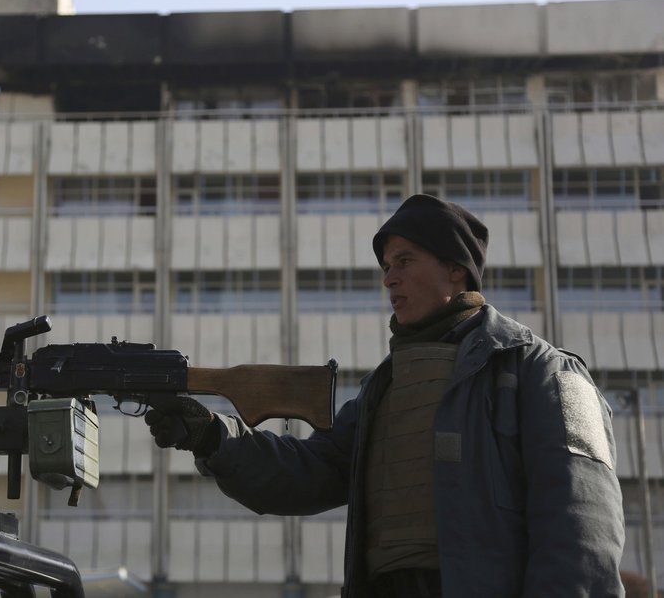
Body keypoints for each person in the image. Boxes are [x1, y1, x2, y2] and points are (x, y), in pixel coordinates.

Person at [145, 194, 625, 597]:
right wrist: (213, 437)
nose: (388, 278)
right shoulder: (385, 387)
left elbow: (583, 532)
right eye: (386, 266)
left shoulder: (543, 371)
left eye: (405, 261)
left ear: (456, 270)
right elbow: (312, 471)